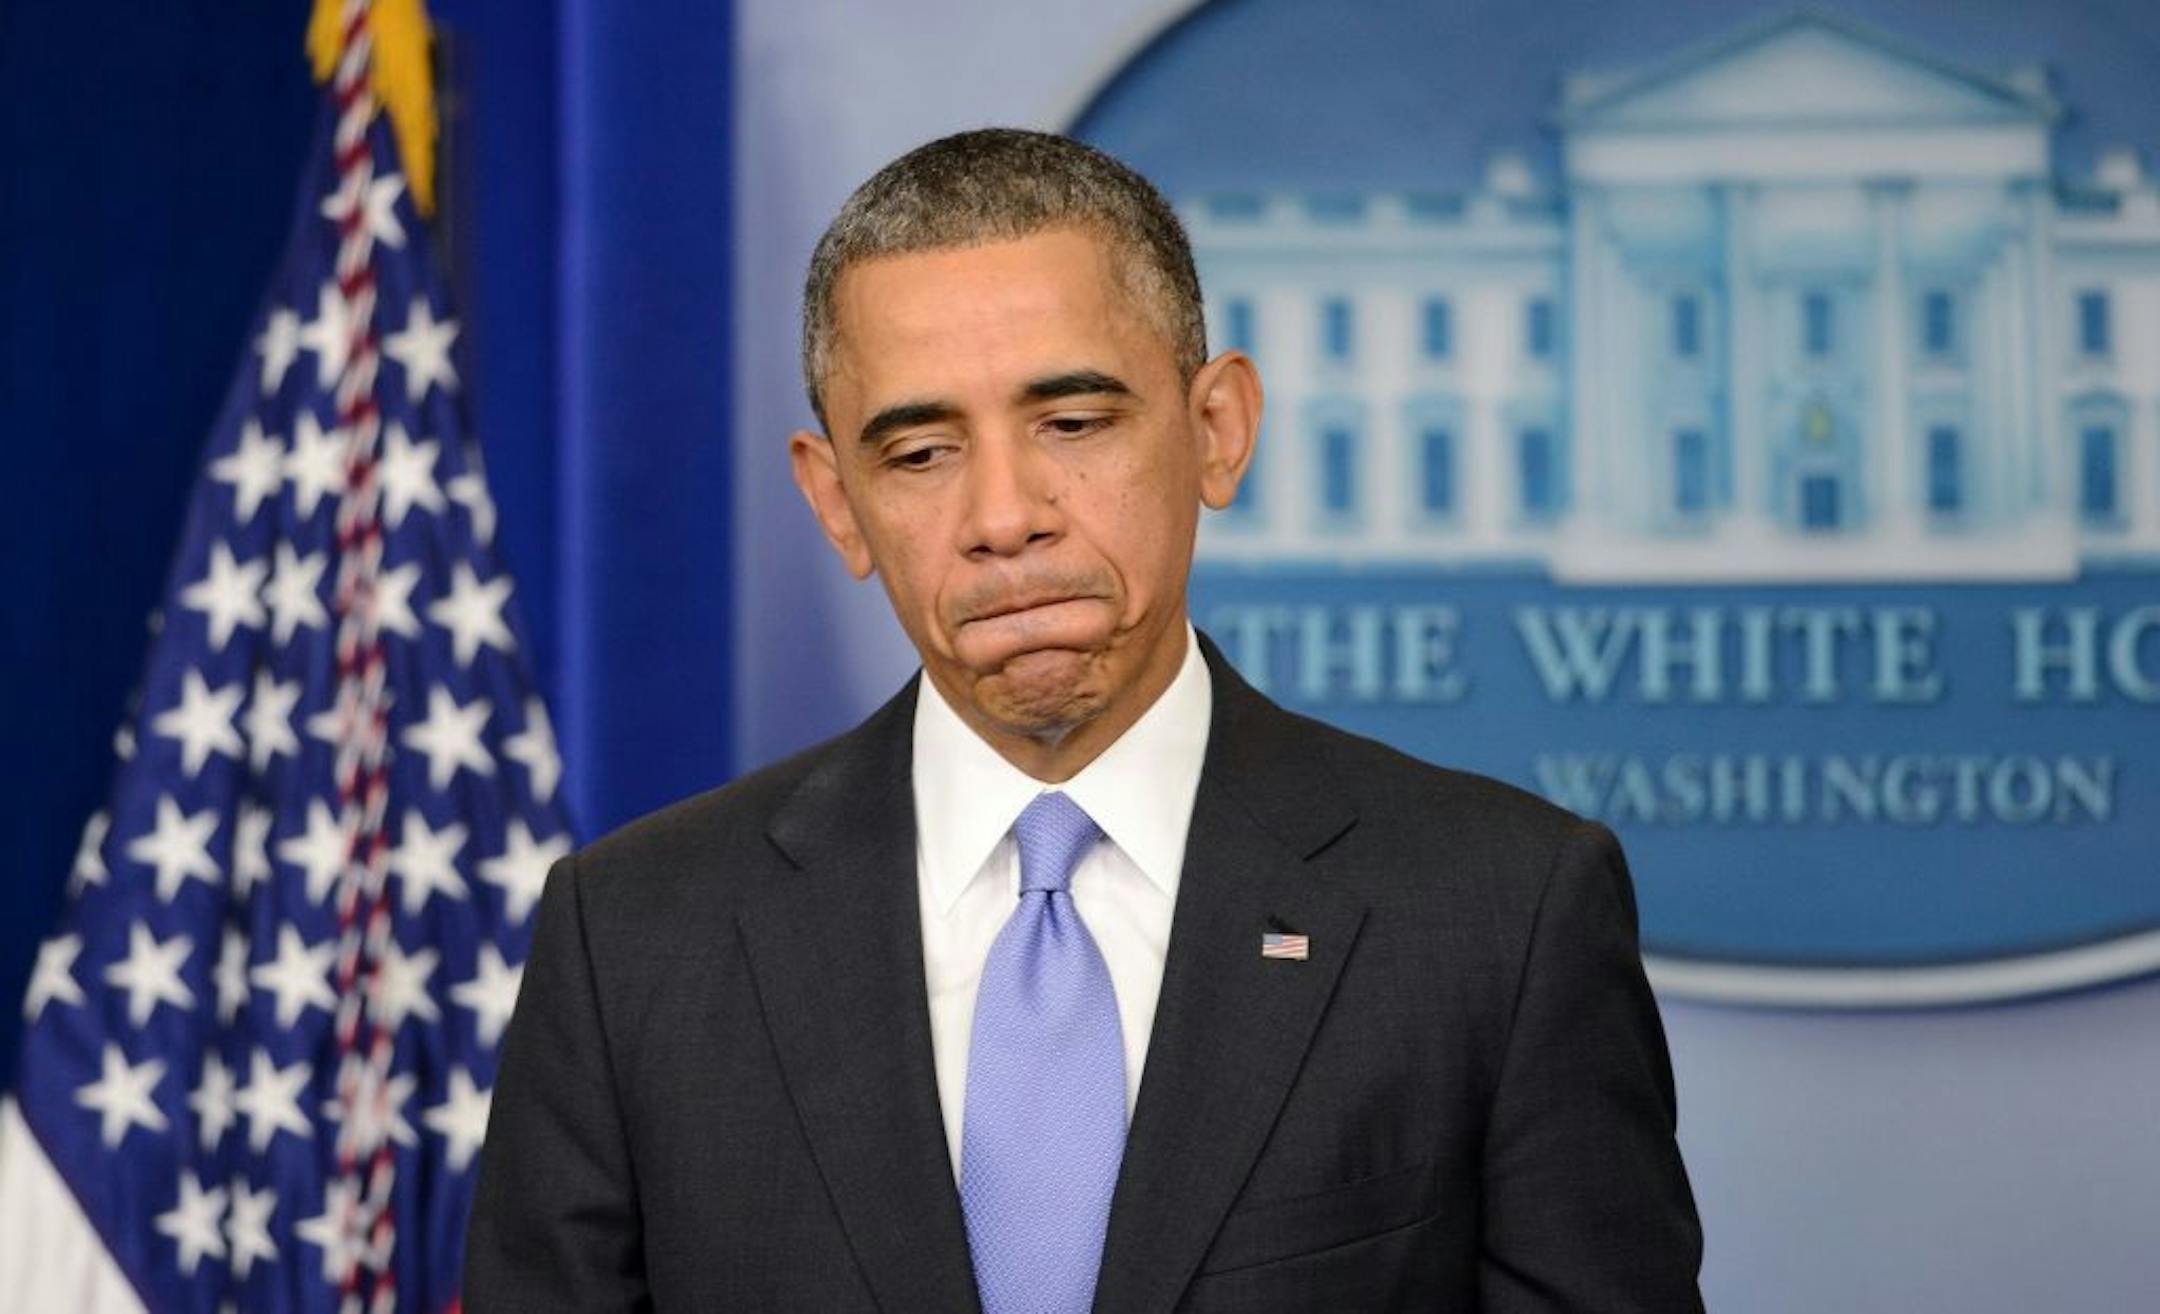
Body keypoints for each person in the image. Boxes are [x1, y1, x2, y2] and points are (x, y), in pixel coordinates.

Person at [464, 128, 1703, 1313]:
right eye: (920, 453)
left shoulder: (1502, 913)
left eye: (1072, 424)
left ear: (1217, 431)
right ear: (836, 504)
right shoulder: (630, 943)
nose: (1006, 515)